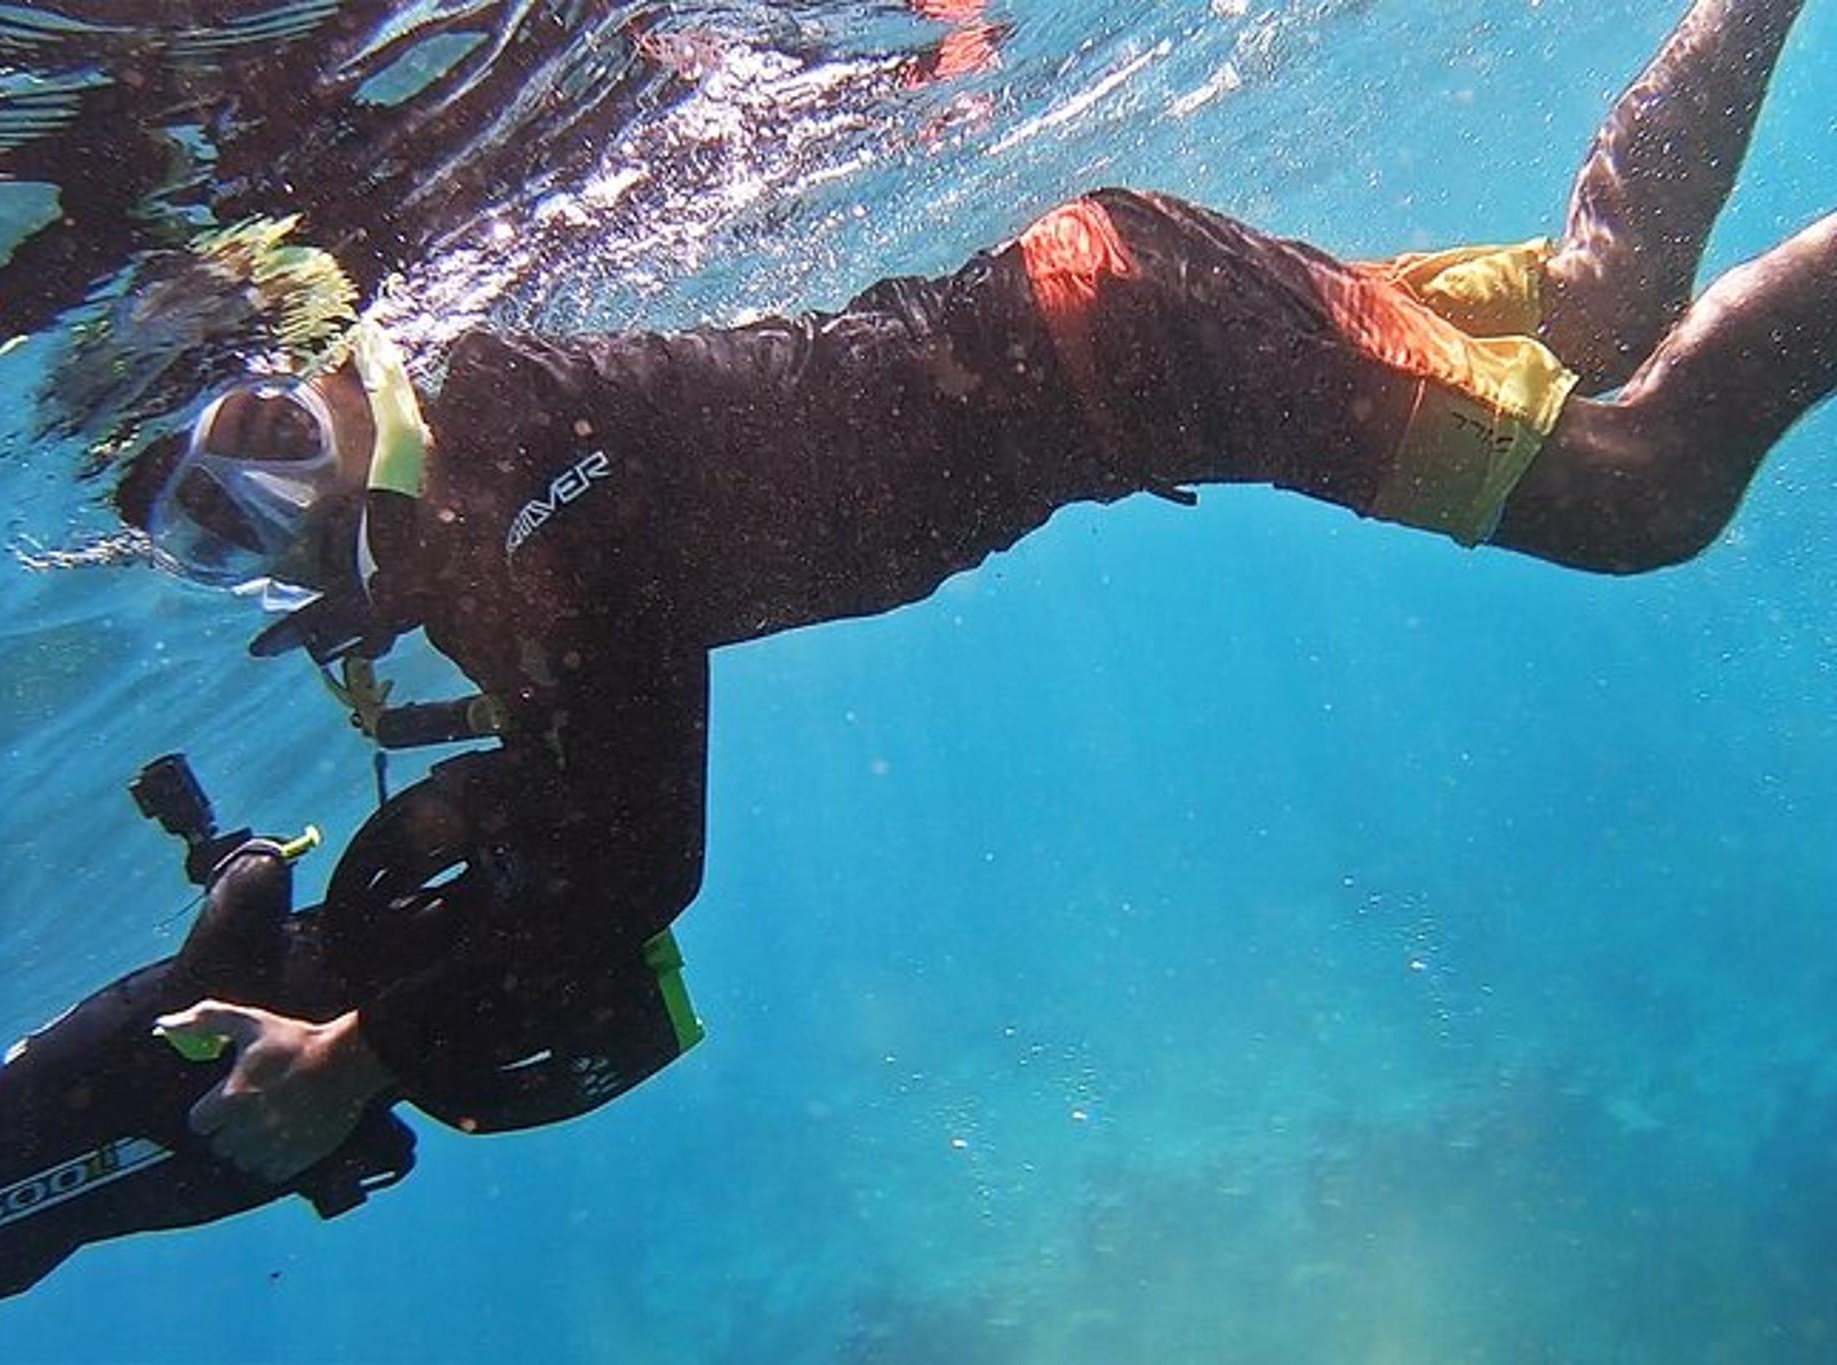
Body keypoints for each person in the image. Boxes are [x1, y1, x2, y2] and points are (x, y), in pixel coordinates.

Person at [131, 0, 1830, 1183]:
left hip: (1152, 348)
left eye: (265, 440)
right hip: (1127, 322)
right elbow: (569, 777)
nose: (275, 513)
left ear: (331, 376)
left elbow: (647, 848)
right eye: (219, 529)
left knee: (1643, 499)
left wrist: (366, 1046)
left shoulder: (507, 439)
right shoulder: (465, 553)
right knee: (1598, 312)